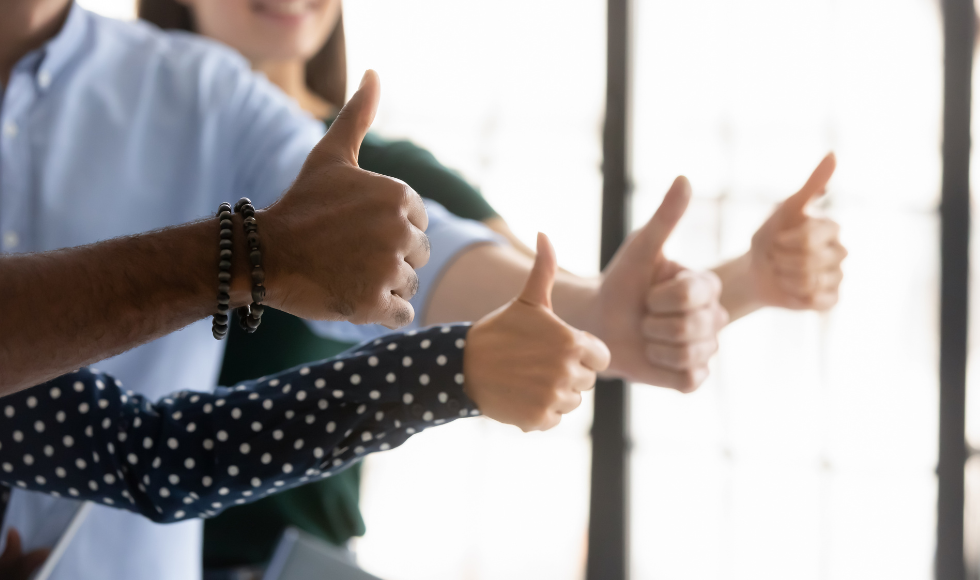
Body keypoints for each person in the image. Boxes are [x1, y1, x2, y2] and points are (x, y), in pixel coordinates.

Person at [134, 0, 848, 571]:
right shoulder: (108, 150)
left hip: (286, 562)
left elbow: (559, 306)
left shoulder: (381, 173)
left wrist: (748, 280)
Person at [0, 3, 609, 579]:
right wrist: (450, 370)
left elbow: (156, 452)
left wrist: (481, 359)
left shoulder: (241, 108)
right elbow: (160, 454)